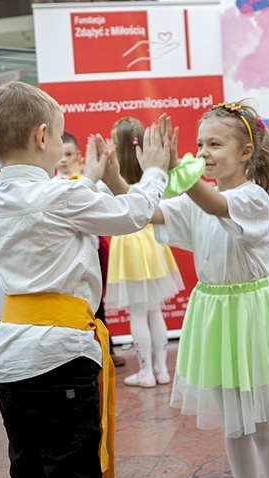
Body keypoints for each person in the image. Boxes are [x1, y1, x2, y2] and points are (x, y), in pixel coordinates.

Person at [0, 80, 170, 478]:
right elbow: (133, 213)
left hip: (12, 357)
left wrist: (91, 177)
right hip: (59, 356)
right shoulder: (59, 197)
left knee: (29, 468)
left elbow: (54, 205)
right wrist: (154, 172)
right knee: (72, 471)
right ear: (43, 135)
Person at [152, 102, 269, 478]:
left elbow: (216, 205)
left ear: (246, 152)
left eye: (214, 145)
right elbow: (154, 213)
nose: (203, 154)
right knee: (234, 427)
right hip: (214, 318)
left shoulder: (252, 198)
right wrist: (121, 177)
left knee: (264, 428)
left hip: (249, 317)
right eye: (199, 145)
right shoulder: (199, 199)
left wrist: (178, 171)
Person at [105, 117, 184, 388]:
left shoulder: (111, 175)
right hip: (152, 242)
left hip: (127, 243)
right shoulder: (153, 173)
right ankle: (161, 370)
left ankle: (146, 372)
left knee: (138, 313)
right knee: (154, 310)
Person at [55, 132, 126, 368]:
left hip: (92, 251)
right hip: (68, 256)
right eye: (60, 155)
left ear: (78, 155)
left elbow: (108, 200)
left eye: (68, 154)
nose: (64, 160)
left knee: (97, 301)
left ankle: (107, 347)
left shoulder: (92, 181)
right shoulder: (53, 185)